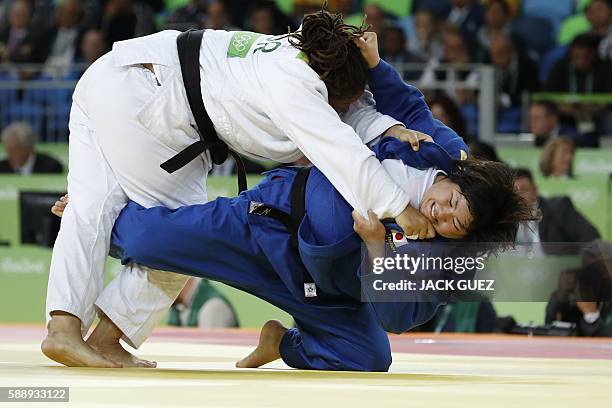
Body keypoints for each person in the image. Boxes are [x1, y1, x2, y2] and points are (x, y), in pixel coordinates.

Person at [50, 40, 533, 371]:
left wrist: (377, 252)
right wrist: (375, 64)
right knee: (143, 239)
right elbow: (407, 106)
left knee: (368, 356)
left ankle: (283, 342)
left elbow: (398, 317)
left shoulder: (447, 260)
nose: (441, 215)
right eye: (451, 203)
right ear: (456, 178)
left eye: (454, 225)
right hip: (273, 224)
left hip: (327, 288)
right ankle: (101, 210)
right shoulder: (441, 149)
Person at [513, 168, 600, 245]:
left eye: (523, 190)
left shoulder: (558, 208)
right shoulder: (505, 218)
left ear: (535, 190)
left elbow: (591, 235)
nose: (518, 197)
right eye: (514, 193)